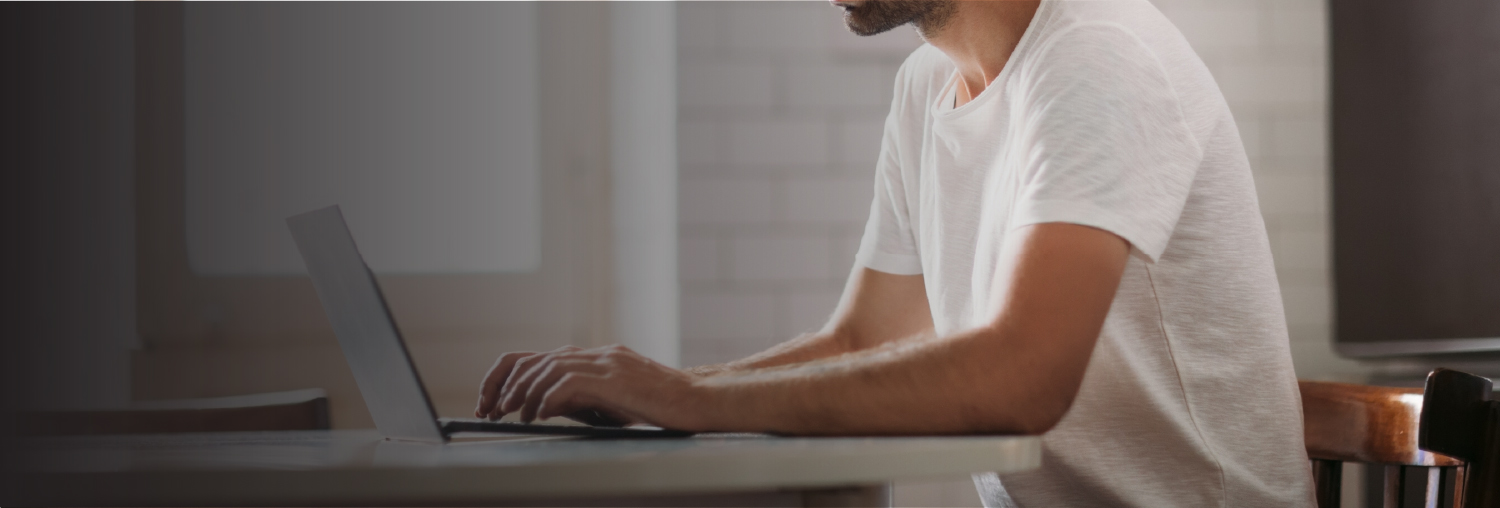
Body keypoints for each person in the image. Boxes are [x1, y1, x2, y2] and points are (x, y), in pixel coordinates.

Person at [475, 0, 1316, 505]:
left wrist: (694, 401)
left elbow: (1021, 379)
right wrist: (664, 394)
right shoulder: (926, 86)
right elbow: (860, 338)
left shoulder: (1098, 55)